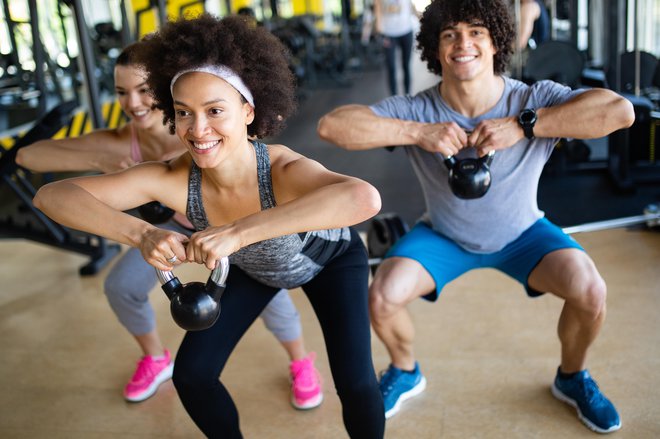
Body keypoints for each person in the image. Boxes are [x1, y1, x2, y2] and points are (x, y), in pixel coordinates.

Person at [33, 14, 385, 438]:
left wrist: (237, 233)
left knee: (356, 382)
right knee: (193, 375)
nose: (198, 130)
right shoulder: (173, 177)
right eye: (184, 113)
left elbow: (364, 198)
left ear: (248, 110)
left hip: (331, 263)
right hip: (254, 270)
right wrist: (141, 234)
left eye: (215, 110)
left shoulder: (282, 168)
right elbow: (51, 197)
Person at [317, 0, 634, 433]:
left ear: (496, 42)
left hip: (524, 235)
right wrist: (417, 132)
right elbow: (333, 126)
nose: (462, 43)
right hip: (444, 236)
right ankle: (405, 369)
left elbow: (620, 111)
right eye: (449, 34)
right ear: (435, 47)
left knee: (590, 290)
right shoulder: (418, 110)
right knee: (382, 296)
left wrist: (525, 125)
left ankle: (572, 377)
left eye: (476, 32)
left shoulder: (531, 98)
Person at [18, 42, 325, 410]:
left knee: (270, 297)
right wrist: (104, 160)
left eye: (144, 91)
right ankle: (156, 358)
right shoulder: (120, 140)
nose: (133, 103)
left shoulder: (204, 134)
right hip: (169, 236)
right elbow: (26, 156)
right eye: (121, 92)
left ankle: (300, 360)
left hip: (225, 232)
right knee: (121, 286)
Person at [373, 0, 419, 95]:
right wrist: (380, 34)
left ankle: (408, 95)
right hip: (388, 34)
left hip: (406, 31)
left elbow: (411, 6)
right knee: (391, 67)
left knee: (406, 65)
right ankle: (393, 97)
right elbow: (377, 11)